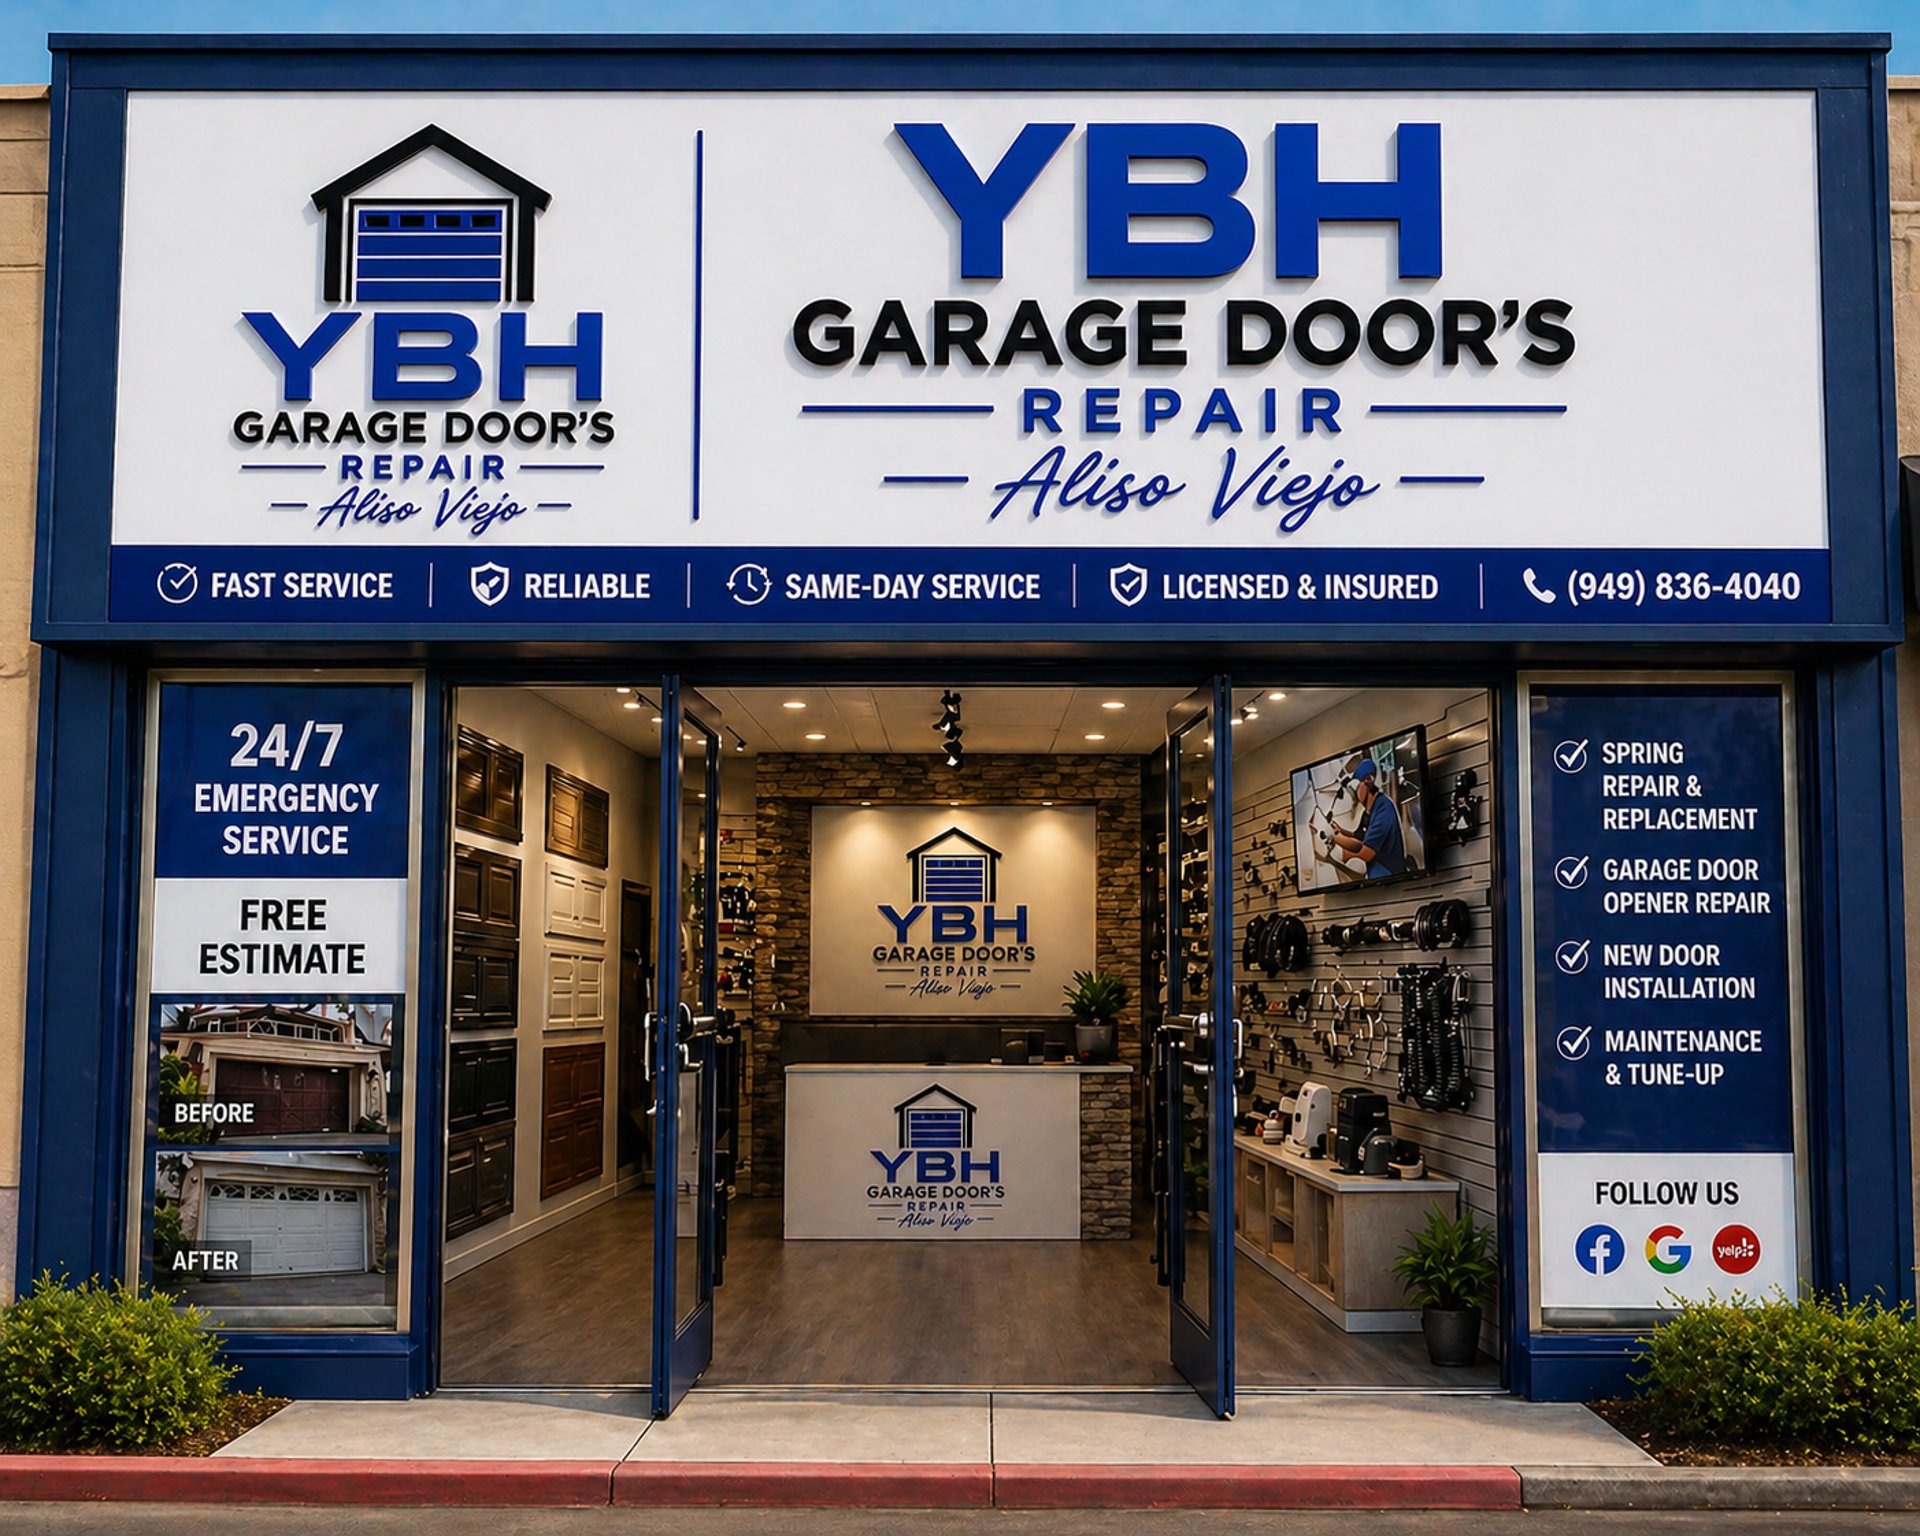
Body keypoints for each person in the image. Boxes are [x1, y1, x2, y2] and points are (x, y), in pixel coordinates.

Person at [1323, 758, 1407, 880]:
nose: (1354, 795)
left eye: (1355, 787)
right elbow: (1359, 838)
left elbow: (1366, 853)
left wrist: (1338, 851)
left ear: (1369, 780)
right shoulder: (1368, 812)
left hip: (1388, 873)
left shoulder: (1383, 808)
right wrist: (1340, 831)